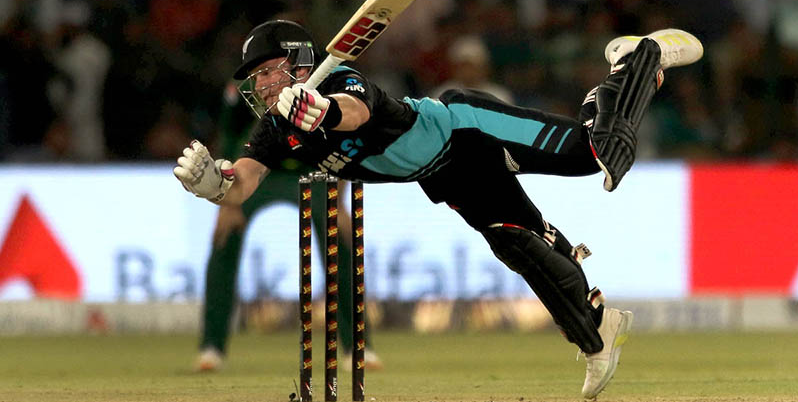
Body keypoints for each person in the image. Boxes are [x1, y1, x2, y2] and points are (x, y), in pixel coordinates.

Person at [174, 20, 703, 398]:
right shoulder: (273, 128)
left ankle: (637, 60)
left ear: (299, 63)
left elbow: (357, 113)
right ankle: (598, 332)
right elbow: (243, 182)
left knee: (597, 155)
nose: (261, 84)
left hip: (466, 128)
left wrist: (322, 112)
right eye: (257, 77)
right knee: (519, 245)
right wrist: (213, 186)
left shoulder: (338, 82)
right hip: (446, 175)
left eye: (269, 71)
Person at [194, 78, 382, 372]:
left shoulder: (321, 81)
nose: (265, 77)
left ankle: (359, 348)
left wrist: (341, 201)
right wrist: (227, 202)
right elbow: (229, 138)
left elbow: (345, 140)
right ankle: (211, 348)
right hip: (257, 171)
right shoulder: (241, 89)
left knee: (340, 239)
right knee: (224, 237)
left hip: (313, 168)